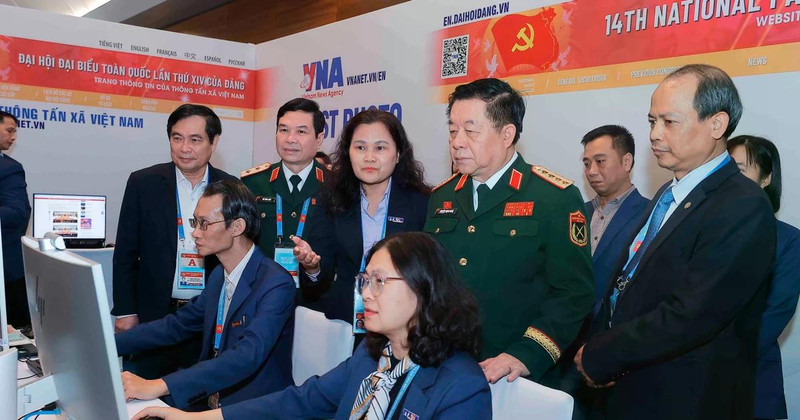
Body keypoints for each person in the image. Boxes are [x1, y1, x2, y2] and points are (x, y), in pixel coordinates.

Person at [575, 64, 776, 420]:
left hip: (685, 399)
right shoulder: (668, 193)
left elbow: (691, 315)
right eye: (652, 121)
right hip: (629, 388)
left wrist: (603, 353)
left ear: (716, 124)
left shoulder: (742, 205)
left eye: (669, 122)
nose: (654, 134)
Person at [132, 232, 491, 420]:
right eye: (365, 281)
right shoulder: (371, 359)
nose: (367, 293)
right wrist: (190, 418)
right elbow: (297, 402)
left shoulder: (460, 387)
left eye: (381, 281)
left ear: (424, 289)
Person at [424, 78, 594, 385]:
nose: (457, 142)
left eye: (471, 131)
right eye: (452, 130)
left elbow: (573, 294)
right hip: (444, 365)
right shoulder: (441, 197)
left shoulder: (553, 197)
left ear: (507, 134)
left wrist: (527, 354)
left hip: (513, 375)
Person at [116, 179, 295, 409]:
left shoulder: (276, 283)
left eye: (204, 224)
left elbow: (247, 356)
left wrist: (160, 384)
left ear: (237, 227)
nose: (195, 233)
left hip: (255, 406)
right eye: (195, 222)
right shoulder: (219, 276)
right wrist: (107, 343)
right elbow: (175, 326)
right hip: (211, 398)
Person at [112, 104, 236, 378]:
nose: (184, 148)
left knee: (196, 399)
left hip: (207, 316)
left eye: (195, 140)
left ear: (213, 142)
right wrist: (125, 311)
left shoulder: (230, 188)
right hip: (154, 314)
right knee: (141, 395)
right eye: (177, 138)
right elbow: (125, 253)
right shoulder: (144, 183)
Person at [292, 109, 430, 326]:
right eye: (360, 147)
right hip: (345, 322)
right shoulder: (331, 200)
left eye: (380, 148)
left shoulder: (421, 203)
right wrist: (312, 268)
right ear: (348, 152)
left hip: (403, 323)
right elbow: (320, 281)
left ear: (398, 153)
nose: (369, 157)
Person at [728, 135, 799, 420]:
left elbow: (779, 309)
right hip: (697, 376)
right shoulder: (705, 231)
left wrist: (728, 356)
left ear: (766, 178)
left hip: (753, 372)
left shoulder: (787, 239)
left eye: (741, 169)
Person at [241, 98, 328, 274]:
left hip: (316, 293)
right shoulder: (253, 183)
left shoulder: (335, 184)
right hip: (263, 291)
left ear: (319, 139)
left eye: (301, 132)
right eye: (283, 130)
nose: (290, 139)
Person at [581, 125, 649, 304]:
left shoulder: (649, 214)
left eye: (600, 161)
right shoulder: (577, 212)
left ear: (626, 162)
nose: (591, 171)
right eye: (587, 164)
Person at [0, 111, 31, 327]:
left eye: (14, 132)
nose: (14, 138)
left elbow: (18, 212)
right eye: (9, 131)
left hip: (6, 274)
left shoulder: (9, 169)